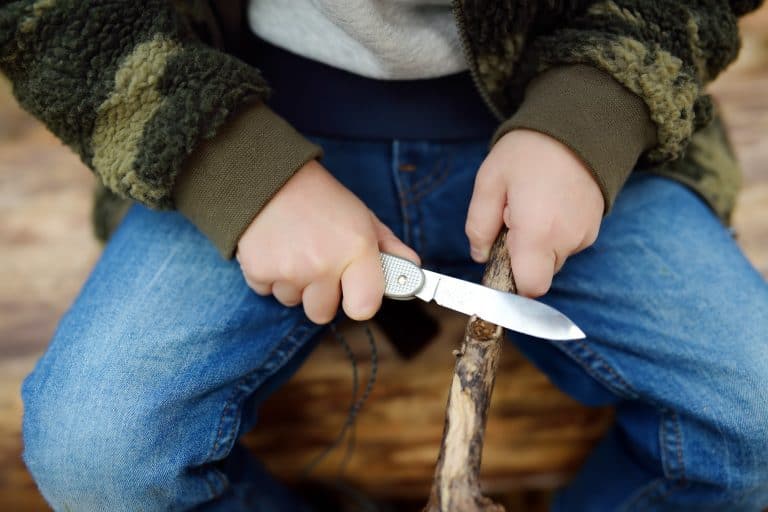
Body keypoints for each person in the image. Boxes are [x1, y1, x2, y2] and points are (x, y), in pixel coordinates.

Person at [4, 0, 767, 510]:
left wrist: (595, 111)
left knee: (754, 413)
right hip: (221, 114)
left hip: (567, 107)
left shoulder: (589, 114)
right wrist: (232, 169)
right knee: (97, 448)